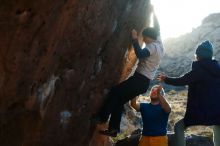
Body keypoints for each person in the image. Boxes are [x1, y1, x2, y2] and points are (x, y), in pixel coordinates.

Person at [92, 9, 165, 137]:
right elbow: (157, 27)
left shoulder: (152, 46)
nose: (144, 40)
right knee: (119, 101)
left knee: (115, 92)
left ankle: (101, 117)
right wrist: (153, 12)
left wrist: (135, 40)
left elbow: (141, 54)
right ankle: (113, 129)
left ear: (149, 37)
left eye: (145, 38)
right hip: (144, 83)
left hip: (139, 80)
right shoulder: (159, 43)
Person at [157, 40, 220, 146]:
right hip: (217, 111)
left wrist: (166, 79)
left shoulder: (199, 70)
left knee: (178, 127)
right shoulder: (218, 69)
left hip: (201, 110)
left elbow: (181, 81)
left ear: (198, 56)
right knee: (218, 130)